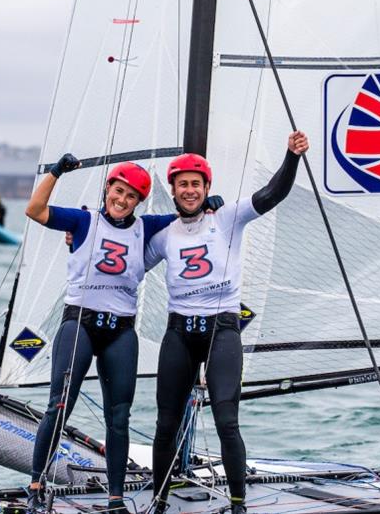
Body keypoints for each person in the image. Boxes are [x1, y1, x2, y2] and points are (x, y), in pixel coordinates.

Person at [24, 155, 225, 513]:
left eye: (131, 196)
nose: (122, 200)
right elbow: (35, 210)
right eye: (118, 192)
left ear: (138, 201)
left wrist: (209, 204)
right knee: (59, 405)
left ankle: (115, 498)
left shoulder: (146, 227)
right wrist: (56, 172)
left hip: (120, 331)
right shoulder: (83, 220)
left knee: (119, 416)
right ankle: (35, 485)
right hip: (80, 324)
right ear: (108, 190)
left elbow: (185, 215)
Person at [146, 131, 309, 514]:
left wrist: (291, 156)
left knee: (226, 420)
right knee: (166, 423)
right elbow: (125, 261)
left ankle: (238, 504)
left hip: (221, 331)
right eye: (183, 184)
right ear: (173, 190)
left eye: (196, 184)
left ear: (206, 188)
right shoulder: (164, 235)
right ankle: (159, 500)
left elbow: (272, 195)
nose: (190, 190)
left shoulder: (228, 217)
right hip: (179, 333)